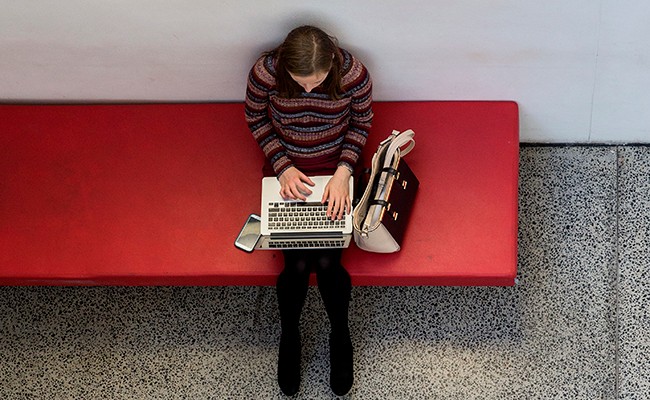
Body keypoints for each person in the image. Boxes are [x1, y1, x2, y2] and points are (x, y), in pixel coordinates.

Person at [244, 25, 373, 396]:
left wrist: (343, 172)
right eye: (299, 84)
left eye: (315, 83)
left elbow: (361, 124)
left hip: (334, 171)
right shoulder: (265, 73)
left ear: (331, 63)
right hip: (288, 174)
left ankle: (340, 333)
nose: (308, 91)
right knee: (297, 264)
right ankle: (290, 335)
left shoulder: (354, 75)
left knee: (330, 263)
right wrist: (283, 166)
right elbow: (256, 119)